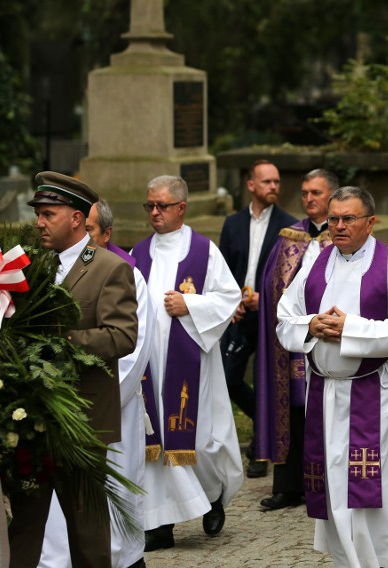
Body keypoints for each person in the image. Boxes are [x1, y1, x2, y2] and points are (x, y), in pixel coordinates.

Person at [276, 186, 388, 568]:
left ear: (370, 222)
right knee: (331, 484)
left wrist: (350, 330)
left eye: (348, 219)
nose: (338, 227)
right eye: (333, 219)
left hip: (369, 394)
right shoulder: (316, 263)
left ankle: (383, 563)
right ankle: (347, 562)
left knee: (365, 486)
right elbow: (284, 317)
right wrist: (312, 325)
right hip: (323, 392)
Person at [11, 172, 138, 568]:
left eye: (48, 214)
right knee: (25, 526)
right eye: (39, 214)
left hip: (81, 418)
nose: (39, 223)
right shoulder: (31, 266)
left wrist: (62, 341)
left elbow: (122, 337)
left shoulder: (108, 268)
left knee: (87, 533)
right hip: (32, 417)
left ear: (77, 219)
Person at [40, 199, 155, 568]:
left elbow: (132, 351)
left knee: (107, 497)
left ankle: (123, 559)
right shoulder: (47, 268)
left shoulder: (123, 273)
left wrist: (85, 401)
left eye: (90, 230)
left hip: (104, 407)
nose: (85, 238)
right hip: (52, 409)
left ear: (104, 234)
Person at [132, 175, 244, 551]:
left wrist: (190, 305)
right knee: (153, 442)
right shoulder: (138, 253)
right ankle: (160, 524)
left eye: (161, 206)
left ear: (181, 207)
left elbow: (229, 298)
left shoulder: (204, 251)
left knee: (199, 440)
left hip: (192, 362)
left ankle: (212, 495)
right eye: (149, 205)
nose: (154, 212)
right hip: (148, 365)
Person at [255, 168, 337, 509]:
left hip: (333, 339)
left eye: (316, 193)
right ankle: (289, 486)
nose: (308, 199)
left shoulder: (347, 235)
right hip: (295, 343)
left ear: (332, 195)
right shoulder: (290, 237)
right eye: (304, 193)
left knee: (333, 407)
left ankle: (338, 481)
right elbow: (273, 286)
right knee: (294, 406)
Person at [219, 159, 297, 478]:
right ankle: (260, 422)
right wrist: (230, 301)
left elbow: (291, 279)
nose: (274, 187)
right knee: (229, 378)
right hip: (238, 315)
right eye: (267, 182)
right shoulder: (232, 224)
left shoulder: (291, 226)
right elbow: (222, 271)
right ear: (251, 185)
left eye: (277, 182)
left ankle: (259, 450)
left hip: (271, 316)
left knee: (269, 383)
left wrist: (264, 299)